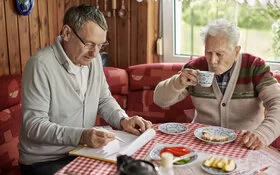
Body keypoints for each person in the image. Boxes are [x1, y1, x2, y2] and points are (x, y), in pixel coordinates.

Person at [19, 4, 152, 175]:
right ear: (66, 33)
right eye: (89, 43)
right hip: (44, 161)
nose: (95, 54)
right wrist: (81, 136)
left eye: (100, 45)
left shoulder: (93, 60)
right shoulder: (40, 65)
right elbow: (33, 125)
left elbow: (103, 99)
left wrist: (123, 120)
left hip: (83, 152)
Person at [154, 18, 280, 150]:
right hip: (202, 144)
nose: (213, 61)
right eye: (208, 52)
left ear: (236, 51)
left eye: (219, 54)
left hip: (245, 146)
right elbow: (160, 100)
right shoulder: (195, 67)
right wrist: (177, 82)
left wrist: (262, 135)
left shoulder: (254, 67)